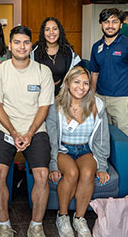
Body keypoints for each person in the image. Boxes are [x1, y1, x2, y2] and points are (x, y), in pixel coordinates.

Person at [0, 26, 54, 237]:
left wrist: (30, 132)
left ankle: (36, 225)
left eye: (25, 42)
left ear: (31, 45)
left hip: (36, 129)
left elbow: (44, 107)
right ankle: (4, 225)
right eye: (17, 42)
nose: (21, 46)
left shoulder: (43, 71)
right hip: (4, 129)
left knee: (42, 175)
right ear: (10, 45)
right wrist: (14, 132)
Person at [46, 66, 110, 237]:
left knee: (88, 173)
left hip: (85, 149)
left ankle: (79, 219)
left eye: (85, 83)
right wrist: (53, 165)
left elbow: (102, 139)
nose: (81, 87)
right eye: (77, 82)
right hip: (63, 149)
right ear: (67, 83)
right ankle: (63, 216)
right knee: (72, 173)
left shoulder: (97, 105)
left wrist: (102, 166)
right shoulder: (55, 105)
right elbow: (51, 139)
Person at [90, 8, 128, 192]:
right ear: (101, 24)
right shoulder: (97, 46)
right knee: (103, 142)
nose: (110, 25)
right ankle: (109, 183)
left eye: (114, 22)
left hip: (122, 100)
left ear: (121, 24)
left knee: (126, 144)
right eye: (106, 22)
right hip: (100, 100)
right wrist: (92, 98)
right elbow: (94, 74)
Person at [31, 17, 81, 95]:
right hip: (41, 94)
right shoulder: (34, 52)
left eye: (54, 29)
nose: (51, 32)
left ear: (59, 31)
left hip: (63, 94)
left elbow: (76, 74)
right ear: (43, 33)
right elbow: (29, 79)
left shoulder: (68, 51)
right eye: (47, 29)